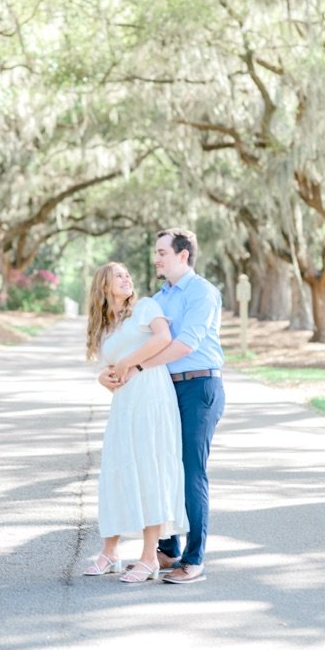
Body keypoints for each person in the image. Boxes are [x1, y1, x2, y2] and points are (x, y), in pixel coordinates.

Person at [101, 228, 225, 584]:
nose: (155, 258)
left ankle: (194, 558)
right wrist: (110, 373)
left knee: (190, 470)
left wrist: (136, 367)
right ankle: (168, 549)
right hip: (164, 391)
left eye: (161, 252)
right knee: (160, 465)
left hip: (200, 384)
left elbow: (185, 345)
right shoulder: (160, 297)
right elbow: (132, 342)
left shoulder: (202, 292)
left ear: (182, 255)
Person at [84, 261, 189, 584]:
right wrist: (104, 377)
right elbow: (105, 365)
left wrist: (129, 363)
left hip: (152, 394)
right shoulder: (104, 326)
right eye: (119, 276)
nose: (127, 279)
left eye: (128, 274)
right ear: (104, 286)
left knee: (149, 469)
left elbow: (163, 338)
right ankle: (110, 552)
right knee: (117, 469)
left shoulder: (146, 307)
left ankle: (148, 557)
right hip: (124, 402)